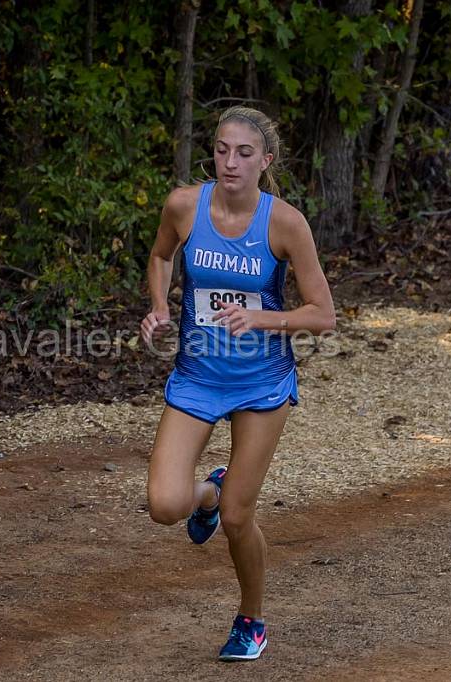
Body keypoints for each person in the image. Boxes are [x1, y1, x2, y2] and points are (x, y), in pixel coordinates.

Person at [140, 106, 335, 661]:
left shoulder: (285, 223)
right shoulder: (184, 205)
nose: (230, 161)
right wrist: (158, 305)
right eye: (223, 149)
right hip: (198, 377)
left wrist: (265, 318)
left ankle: (251, 619)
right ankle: (209, 491)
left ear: (265, 161)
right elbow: (159, 256)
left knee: (238, 518)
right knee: (163, 505)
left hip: (261, 384)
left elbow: (324, 314)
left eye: (244, 153)